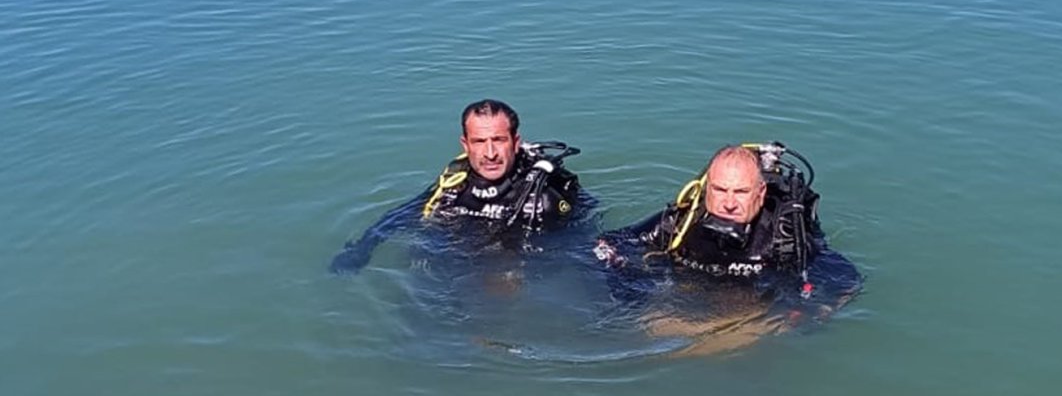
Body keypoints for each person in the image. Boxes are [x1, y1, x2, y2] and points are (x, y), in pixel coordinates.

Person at [593, 142, 861, 355]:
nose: (729, 203)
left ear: (760, 193)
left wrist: (802, 314)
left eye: (741, 192)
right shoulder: (682, 223)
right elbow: (607, 243)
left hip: (749, 319)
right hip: (687, 303)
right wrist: (631, 289)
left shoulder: (783, 236)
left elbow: (846, 280)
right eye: (720, 190)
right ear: (707, 189)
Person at [329, 99, 591, 274]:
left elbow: (581, 247)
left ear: (515, 142)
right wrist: (362, 249)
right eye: (479, 142)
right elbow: (404, 215)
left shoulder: (543, 195)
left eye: (499, 140)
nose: (490, 153)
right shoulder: (455, 180)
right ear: (465, 145)